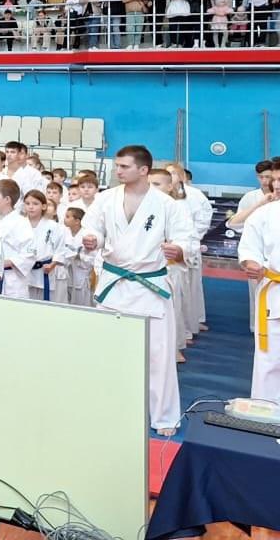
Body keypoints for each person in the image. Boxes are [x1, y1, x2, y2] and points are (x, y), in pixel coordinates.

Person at [81, 145, 195, 435]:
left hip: (150, 285)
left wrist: (178, 249)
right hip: (114, 284)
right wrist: (90, 239)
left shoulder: (167, 204)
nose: (118, 171)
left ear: (143, 170)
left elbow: (186, 238)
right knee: (107, 353)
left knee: (159, 356)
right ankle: (107, 410)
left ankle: (164, 417)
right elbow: (89, 226)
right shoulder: (105, 199)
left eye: (124, 166)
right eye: (117, 166)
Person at [238, 199, 280, 402]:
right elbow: (249, 247)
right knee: (269, 357)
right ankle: (265, 408)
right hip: (274, 288)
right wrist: (250, 261)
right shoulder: (264, 214)